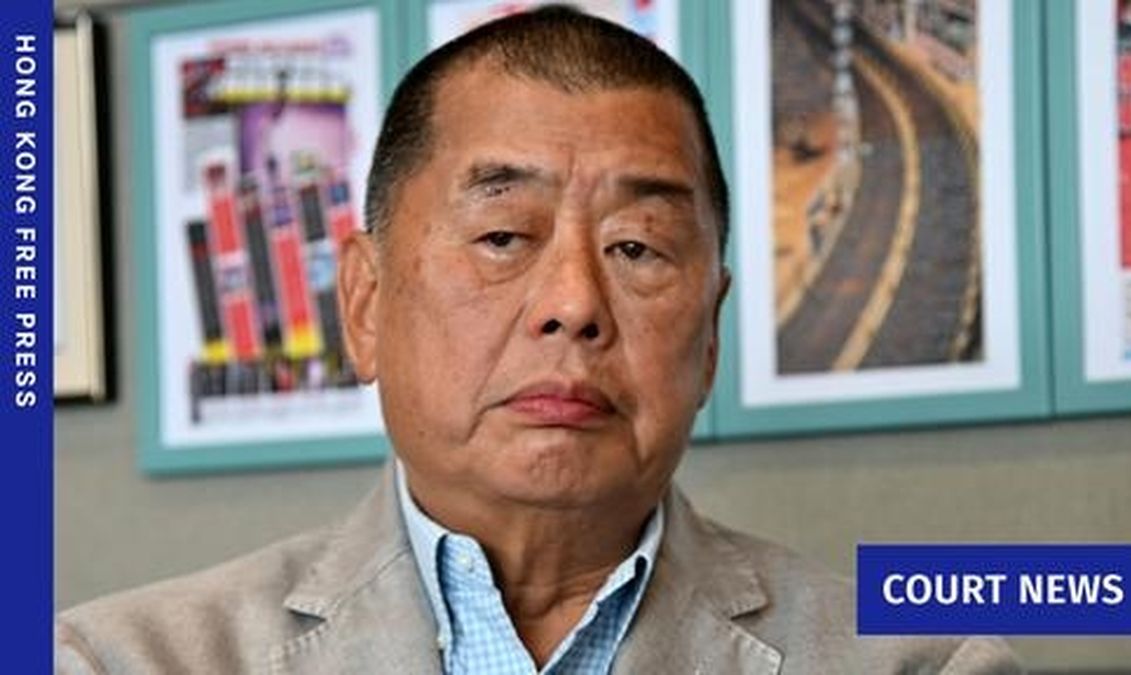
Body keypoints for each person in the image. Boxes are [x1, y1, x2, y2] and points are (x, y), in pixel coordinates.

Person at [56, 8, 1022, 673]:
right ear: (365, 304)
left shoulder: (917, 662)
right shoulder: (121, 658)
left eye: (637, 246)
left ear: (711, 334)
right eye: (503, 236)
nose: (573, 303)